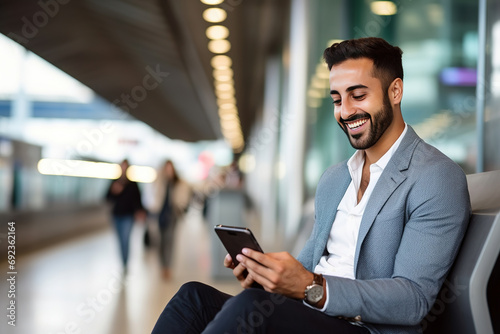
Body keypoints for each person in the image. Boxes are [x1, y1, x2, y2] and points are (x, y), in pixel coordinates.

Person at [151, 37, 471, 334]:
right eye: (337, 99)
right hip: (314, 316)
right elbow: (306, 269)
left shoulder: (436, 177)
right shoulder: (335, 178)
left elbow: (412, 299)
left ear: (395, 91)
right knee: (192, 298)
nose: (345, 112)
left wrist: (309, 287)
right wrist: (265, 275)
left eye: (358, 95)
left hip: (366, 327)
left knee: (250, 308)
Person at [151, 160, 192, 280]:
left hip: (172, 215)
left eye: (170, 169)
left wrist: (180, 205)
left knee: (170, 241)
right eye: (166, 169)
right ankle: (162, 265)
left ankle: (167, 267)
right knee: (160, 242)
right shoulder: (160, 181)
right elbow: (153, 195)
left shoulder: (179, 183)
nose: (169, 171)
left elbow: (184, 196)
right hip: (159, 215)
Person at [106, 159, 146, 273]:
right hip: (116, 216)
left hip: (128, 216)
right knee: (119, 240)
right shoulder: (114, 182)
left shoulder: (133, 184)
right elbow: (107, 198)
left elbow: (138, 200)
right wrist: (114, 191)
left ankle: (125, 263)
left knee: (125, 239)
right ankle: (122, 262)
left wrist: (140, 211)